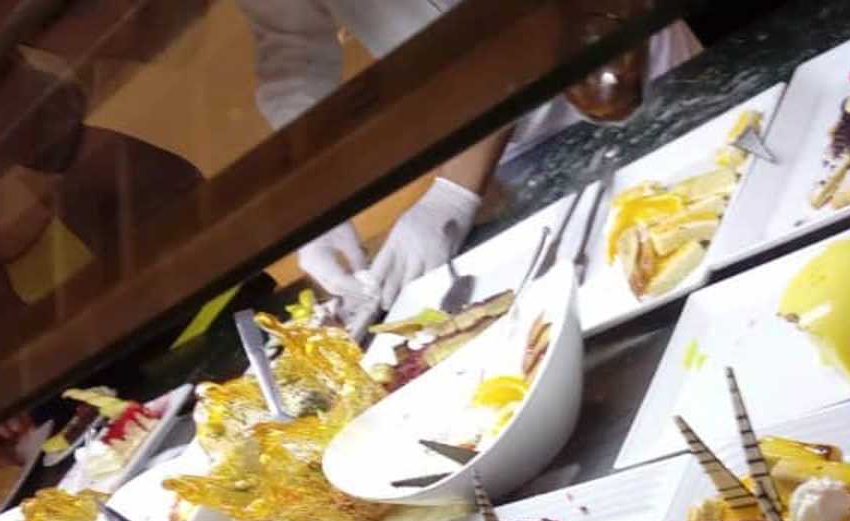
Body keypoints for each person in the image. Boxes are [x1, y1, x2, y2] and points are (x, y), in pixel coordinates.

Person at [235, 0, 697, 330]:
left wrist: (453, 192)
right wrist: (313, 202)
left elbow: (511, 20)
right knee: (595, 302)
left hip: (635, 75)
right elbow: (293, 61)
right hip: (502, 153)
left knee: (696, 240)